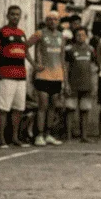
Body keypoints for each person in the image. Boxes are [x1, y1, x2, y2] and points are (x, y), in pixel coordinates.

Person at [0, 5, 30, 148]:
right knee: (3, 108)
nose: (15, 16)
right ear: (7, 15)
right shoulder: (1, 33)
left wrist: (34, 64)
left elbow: (25, 52)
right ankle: (1, 140)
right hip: (6, 75)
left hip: (20, 75)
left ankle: (15, 138)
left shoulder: (21, 33)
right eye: (12, 14)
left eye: (17, 14)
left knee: (18, 108)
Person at [30, 10, 67, 147]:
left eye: (55, 19)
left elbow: (62, 59)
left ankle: (48, 134)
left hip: (57, 76)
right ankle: (39, 135)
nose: (52, 21)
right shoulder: (40, 33)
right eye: (50, 19)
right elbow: (25, 46)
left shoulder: (61, 36)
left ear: (58, 21)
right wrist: (34, 65)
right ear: (46, 21)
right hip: (43, 75)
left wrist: (65, 80)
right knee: (43, 106)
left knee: (53, 107)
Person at [64, 26, 98, 142]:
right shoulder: (70, 50)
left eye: (83, 35)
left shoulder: (90, 49)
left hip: (86, 84)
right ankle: (68, 136)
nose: (80, 37)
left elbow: (93, 67)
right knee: (70, 109)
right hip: (73, 84)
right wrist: (66, 83)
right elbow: (66, 67)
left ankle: (84, 136)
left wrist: (93, 83)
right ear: (74, 36)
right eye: (78, 35)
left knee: (85, 110)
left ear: (86, 36)